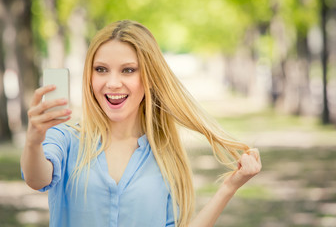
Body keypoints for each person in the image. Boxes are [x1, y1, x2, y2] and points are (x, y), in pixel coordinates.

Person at [21, 20, 262, 227]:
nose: (113, 83)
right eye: (101, 69)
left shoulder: (165, 156)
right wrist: (33, 141)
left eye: (128, 70)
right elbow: (37, 179)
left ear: (149, 77)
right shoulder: (65, 138)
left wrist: (229, 187)